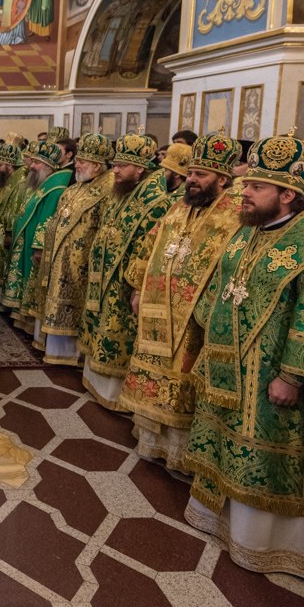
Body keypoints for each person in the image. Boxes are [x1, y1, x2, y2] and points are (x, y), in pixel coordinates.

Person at [185, 132, 304, 581]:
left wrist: (292, 377)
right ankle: (217, 520)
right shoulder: (247, 233)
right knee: (222, 443)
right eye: (247, 184)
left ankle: (262, 542)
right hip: (227, 368)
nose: (244, 192)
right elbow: (221, 290)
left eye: (257, 187)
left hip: (271, 377)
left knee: (266, 461)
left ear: (287, 194)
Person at [122, 131, 242, 472]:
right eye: (190, 173)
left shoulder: (236, 215)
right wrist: (137, 288)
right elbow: (149, 244)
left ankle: (179, 452)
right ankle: (151, 441)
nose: (191, 180)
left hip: (195, 318)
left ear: (222, 179)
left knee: (182, 377)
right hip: (157, 306)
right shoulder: (179, 207)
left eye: (200, 175)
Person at [80, 133, 177, 408]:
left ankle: (115, 394)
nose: (116, 170)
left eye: (123, 166)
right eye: (115, 164)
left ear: (141, 169)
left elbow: (152, 249)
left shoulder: (157, 203)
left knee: (118, 330)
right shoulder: (119, 192)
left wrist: (136, 285)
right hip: (103, 277)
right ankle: (94, 381)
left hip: (125, 283)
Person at [32, 135, 114, 365]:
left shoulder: (108, 191)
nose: (76, 165)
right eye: (77, 160)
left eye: (82, 162)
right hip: (60, 258)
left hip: (82, 264)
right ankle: (54, 349)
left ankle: (70, 354)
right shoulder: (75, 188)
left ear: (97, 165)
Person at [3, 141, 73, 330]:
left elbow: (47, 219)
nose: (31, 166)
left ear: (48, 166)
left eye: (36, 163)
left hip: (35, 246)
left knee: (32, 282)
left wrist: (39, 246)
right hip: (26, 240)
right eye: (32, 161)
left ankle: (30, 322)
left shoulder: (55, 188)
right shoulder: (40, 183)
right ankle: (22, 316)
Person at [0, 141, 27, 302]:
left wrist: (9, 233)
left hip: (5, 233)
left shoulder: (20, 183)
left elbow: (15, 210)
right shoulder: (5, 179)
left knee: (2, 265)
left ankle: (1, 301)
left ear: (9, 165)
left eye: (0, 164)